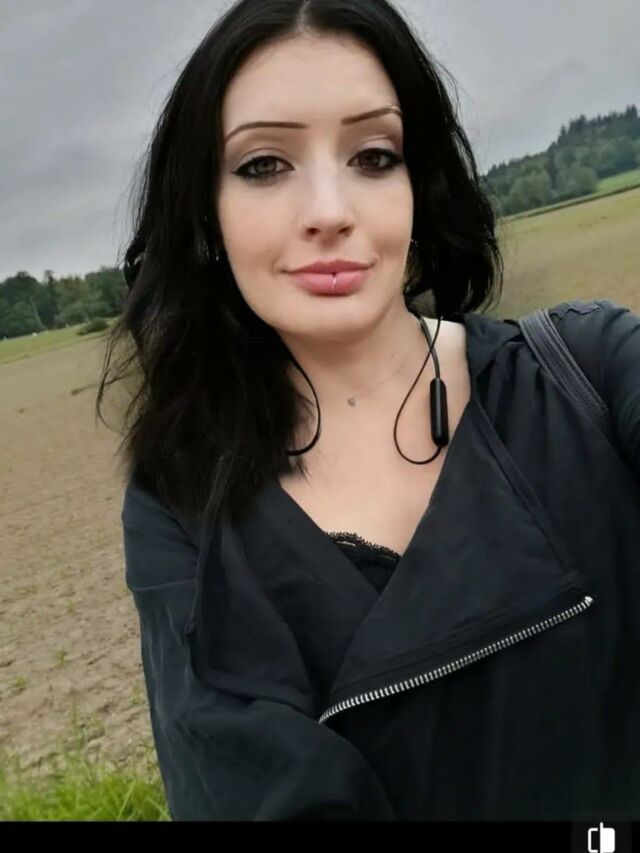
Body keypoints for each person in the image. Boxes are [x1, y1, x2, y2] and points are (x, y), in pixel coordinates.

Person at [97, 0, 640, 821]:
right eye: (264, 165)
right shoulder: (182, 500)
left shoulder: (587, 373)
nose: (329, 210)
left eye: (374, 156)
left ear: (418, 184)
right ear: (205, 211)